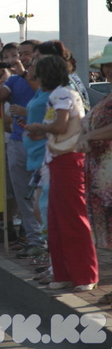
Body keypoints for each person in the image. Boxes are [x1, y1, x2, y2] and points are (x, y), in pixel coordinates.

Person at [25, 55, 98, 292]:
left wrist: (39, 127)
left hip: (69, 160)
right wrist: (42, 131)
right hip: (57, 159)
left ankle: (85, 274)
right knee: (56, 220)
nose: (34, 76)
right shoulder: (60, 94)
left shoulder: (62, 93)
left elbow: (59, 126)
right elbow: (57, 128)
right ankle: (65, 272)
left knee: (72, 218)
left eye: (38, 72)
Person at [0, 40, 45, 256]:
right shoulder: (13, 81)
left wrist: (23, 73)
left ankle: (46, 242)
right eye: (15, 55)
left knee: (42, 196)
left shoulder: (43, 77)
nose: (18, 59)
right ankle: (34, 241)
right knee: (22, 195)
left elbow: (43, 95)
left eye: (24, 54)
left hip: (41, 142)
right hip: (17, 141)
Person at [79, 43, 112, 302]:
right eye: (106, 65)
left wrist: (90, 134)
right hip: (102, 175)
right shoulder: (107, 98)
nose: (108, 70)